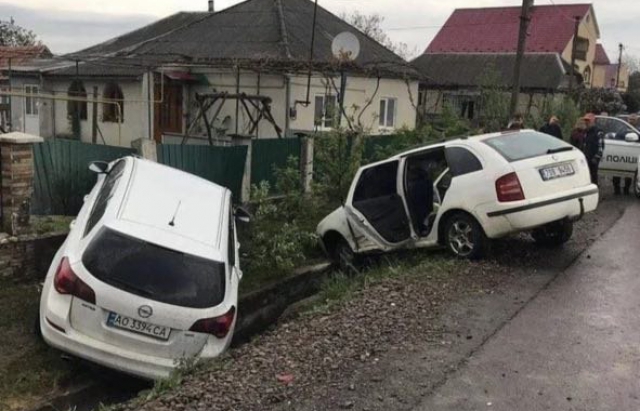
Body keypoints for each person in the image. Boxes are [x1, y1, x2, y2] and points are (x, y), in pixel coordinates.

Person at [583, 113, 605, 185]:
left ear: (593, 121)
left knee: (593, 176)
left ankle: (595, 189)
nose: (586, 122)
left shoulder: (598, 131)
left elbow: (601, 146)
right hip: (586, 157)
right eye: (585, 120)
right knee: (585, 175)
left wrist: (597, 157)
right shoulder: (586, 131)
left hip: (593, 158)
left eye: (588, 120)